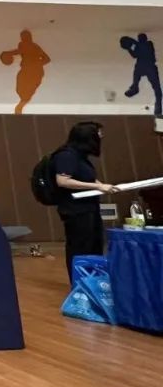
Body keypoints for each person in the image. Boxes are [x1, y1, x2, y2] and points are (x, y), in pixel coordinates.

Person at [53, 121, 120, 284]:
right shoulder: (66, 155)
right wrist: (98, 186)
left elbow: (87, 177)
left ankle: (93, 282)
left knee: (94, 245)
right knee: (80, 247)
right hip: (76, 210)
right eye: (98, 133)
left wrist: (103, 185)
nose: (101, 136)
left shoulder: (81, 157)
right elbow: (63, 181)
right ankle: (79, 283)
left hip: (89, 209)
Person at [0, 30, 50, 115]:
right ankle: (21, 106)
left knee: (27, 89)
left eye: (25, 37)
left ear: (29, 38)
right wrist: (8, 54)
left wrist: (35, 64)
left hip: (35, 72)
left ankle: (20, 106)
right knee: (20, 88)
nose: (23, 39)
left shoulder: (34, 46)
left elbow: (47, 59)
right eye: (22, 37)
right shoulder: (23, 45)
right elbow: (19, 51)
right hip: (26, 70)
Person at [122, 32, 162, 116]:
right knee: (137, 75)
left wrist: (131, 44)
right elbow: (134, 55)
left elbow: (138, 52)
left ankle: (158, 107)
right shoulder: (139, 45)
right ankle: (135, 87)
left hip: (149, 66)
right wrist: (129, 48)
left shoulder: (148, 44)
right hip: (144, 66)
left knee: (156, 88)